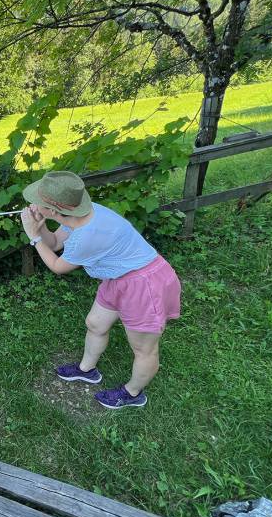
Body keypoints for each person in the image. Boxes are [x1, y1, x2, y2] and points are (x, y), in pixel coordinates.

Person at [20, 170, 181, 409]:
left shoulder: (88, 235)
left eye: (40, 203)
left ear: (54, 211)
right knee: (95, 323)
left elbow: (57, 266)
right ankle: (87, 370)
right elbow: (53, 243)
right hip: (118, 278)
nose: (34, 204)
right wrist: (40, 228)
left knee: (143, 349)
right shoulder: (80, 215)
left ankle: (132, 393)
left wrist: (33, 236)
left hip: (144, 285)